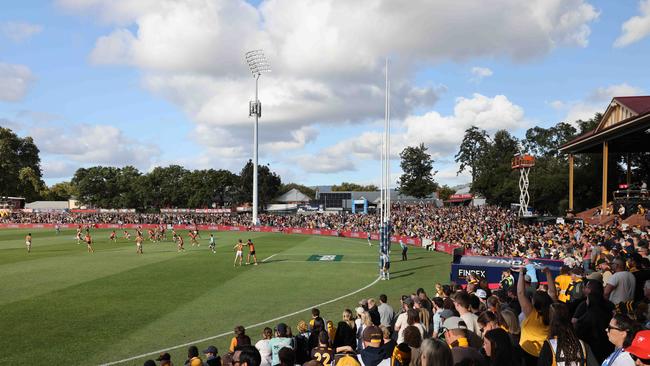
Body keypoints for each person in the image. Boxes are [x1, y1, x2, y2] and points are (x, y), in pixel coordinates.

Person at [515, 266, 555, 366]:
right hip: (545, 352)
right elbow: (553, 292)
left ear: (534, 302)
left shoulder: (531, 312)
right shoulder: (553, 311)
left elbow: (520, 293)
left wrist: (521, 273)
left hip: (527, 352)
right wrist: (548, 273)